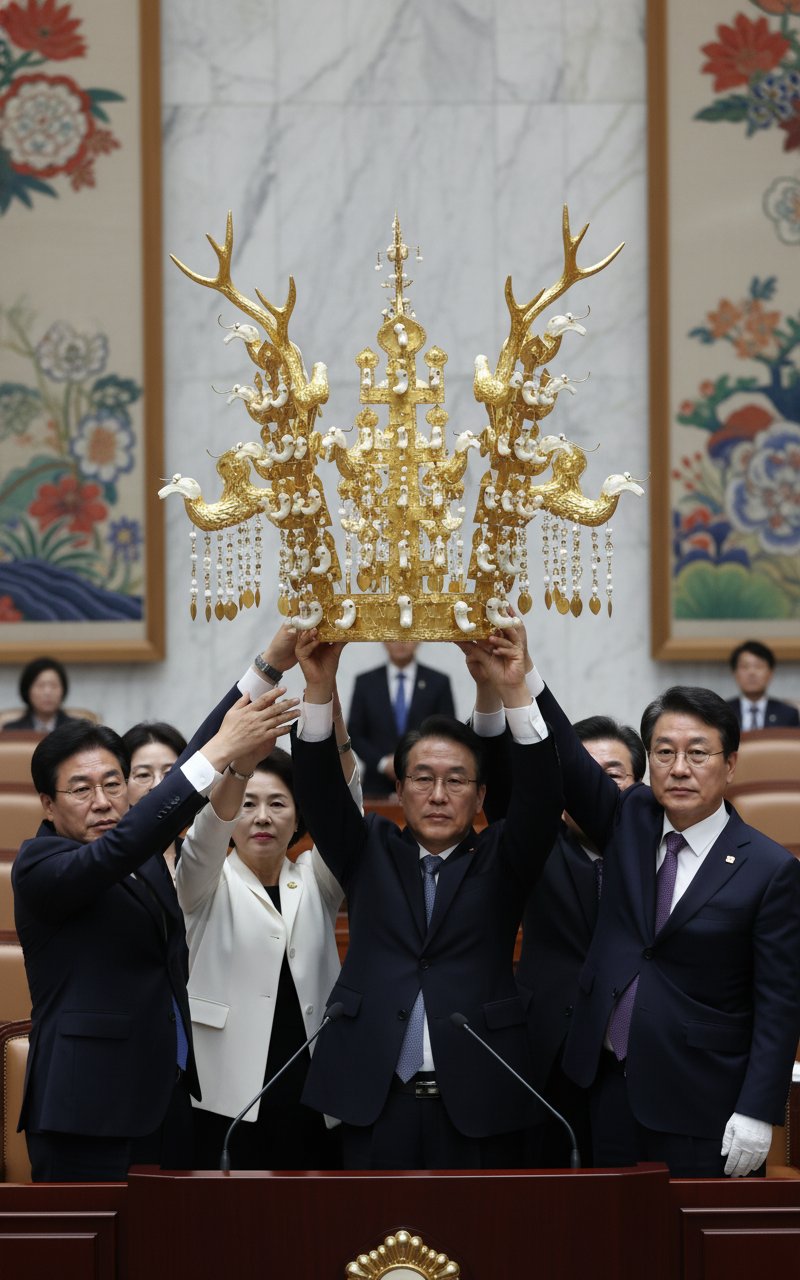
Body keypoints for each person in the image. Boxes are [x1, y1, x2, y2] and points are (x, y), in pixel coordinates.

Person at [490, 625, 800, 1178]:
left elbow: (780, 1002)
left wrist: (758, 1108)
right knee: (606, 1228)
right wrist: (523, 678)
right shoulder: (630, 817)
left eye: (697, 753)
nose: (679, 768)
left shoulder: (771, 869)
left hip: (703, 1099)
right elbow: (569, 758)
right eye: (664, 752)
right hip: (606, 1087)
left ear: (730, 765)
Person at [12, 649, 300, 1182]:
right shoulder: (39, 865)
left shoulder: (143, 857)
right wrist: (222, 751)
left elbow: (190, 758)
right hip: (86, 1111)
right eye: (81, 789)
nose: (102, 801)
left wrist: (271, 663)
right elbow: (126, 840)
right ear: (48, 805)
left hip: (165, 1101)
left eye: (113, 784)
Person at [291, 624, 563, 1170]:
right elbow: (319, 793)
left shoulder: (503, 857)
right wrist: (319, 687)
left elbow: (541, 796)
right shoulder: (369, 847)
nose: (438, 795)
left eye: (456, 781)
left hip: (480, 1097)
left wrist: (512, 690)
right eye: (422, 779)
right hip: (374, 1098)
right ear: (399, 788)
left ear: (480, 796)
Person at [176, 626, 359, 1171]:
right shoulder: (204, 880)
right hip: (225, 1088)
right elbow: (207, 832)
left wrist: (334, 721)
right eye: (249, 803)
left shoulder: (315, 880)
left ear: (298, 818)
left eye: (277, 803)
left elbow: (347, 819)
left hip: (312, 1081)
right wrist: (238, 766)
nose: (261, 817)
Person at [471, 678, 645, 1167]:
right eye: (581, 771)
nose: (595, 785)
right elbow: (496, 773)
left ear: (639, 786)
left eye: (612, 774)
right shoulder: (534, 839)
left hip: (631, 1050)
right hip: (545, 1046)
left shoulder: (659, 851)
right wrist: (490, 689)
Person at [348, 641, 455, 797]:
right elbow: (355, 734)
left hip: (426, 784)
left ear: (419, 639)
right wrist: (382, 763)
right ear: (383, 640)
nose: (400, 641)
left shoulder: (438, 682)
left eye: (406, 634)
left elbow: (447, 733)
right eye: (393, 634)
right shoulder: (365, 682)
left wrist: (416, 763)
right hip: (376, 786)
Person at [122, 722, 188, 881]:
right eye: (143, 775)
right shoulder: (111, 859)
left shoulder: (202, 850)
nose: (158, 785)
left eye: (170, 773)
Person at [727, 640, 799, 729]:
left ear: (770, 673)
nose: (751, 673)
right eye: (744, 666)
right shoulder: (722, 713)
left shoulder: (788, 714)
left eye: (758, 666)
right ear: (735, 673)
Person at [3, 657, 73, 732]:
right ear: (27, 690)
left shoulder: (76, 729)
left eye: (54, 685)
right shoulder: (12, 730)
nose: (48, 692)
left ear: (63, 689)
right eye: (40, 685)